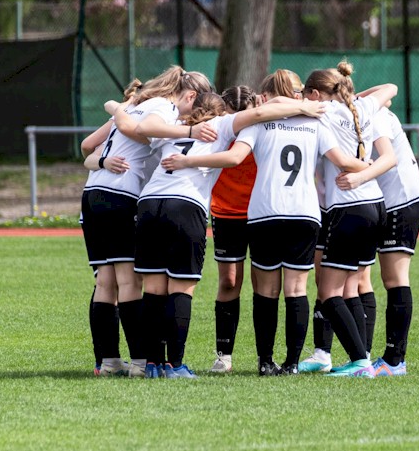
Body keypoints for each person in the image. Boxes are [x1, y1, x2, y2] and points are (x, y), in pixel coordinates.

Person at [111, 88, 325, 379]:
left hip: (149, 204)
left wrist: (117, 105)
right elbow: (261, 112)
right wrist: (306, 107)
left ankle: (152, 364)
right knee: (180, 288)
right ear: (220, 110)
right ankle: (175, 366)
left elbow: (136, 127)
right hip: (185, 205)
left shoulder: (172, 128)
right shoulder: (222, 125)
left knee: (154, 288)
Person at [163, 77, 368, 376]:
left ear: (268, 96)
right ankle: (292, 364)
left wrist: (188, 161)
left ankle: (265, 361)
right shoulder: (316, 123)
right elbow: (343, 161)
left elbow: (234, 157)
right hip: (304, 212)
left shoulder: (258, 124)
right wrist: (372, 168)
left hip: (265, 212)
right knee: (296, 289)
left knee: (267, 291)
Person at [78, 66, 215, 377]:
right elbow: (136, 130)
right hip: (121, 194)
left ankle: (108, 361)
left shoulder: (137, 105)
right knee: (128, 281)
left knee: (105, 281)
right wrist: (190, 132)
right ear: (189, 95)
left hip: (93, 192)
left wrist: (115, 111)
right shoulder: (163, 108)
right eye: (197, 105)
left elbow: (88, 146)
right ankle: (141, 362)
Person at [297, 60, 398, 377]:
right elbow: (390, 89)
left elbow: (341, 160)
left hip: (349, 209)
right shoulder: (363, 107)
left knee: (328, 293)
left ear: (315, 94)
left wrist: (359, 170)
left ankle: (359, 362)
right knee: (352, 285)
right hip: (375, 205)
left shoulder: (323, 115)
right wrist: (352, 97)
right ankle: (361, 357)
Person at [208, 70, 305, 374]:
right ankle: (224, 355)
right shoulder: (219, 129)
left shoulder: (262, 125)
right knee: (229, 281)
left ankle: (270, 357)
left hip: (263, 210)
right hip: (226, 211)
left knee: (266, 285)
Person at [335, 106, 419, 376]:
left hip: (402, 199)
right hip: (394, 200)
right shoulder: (364, 108)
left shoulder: (371, 115)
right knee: (386, 278)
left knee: (395, 278)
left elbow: (389, 159)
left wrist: (359, 178)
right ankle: (388, 358)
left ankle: (395, 360)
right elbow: (389, 88)